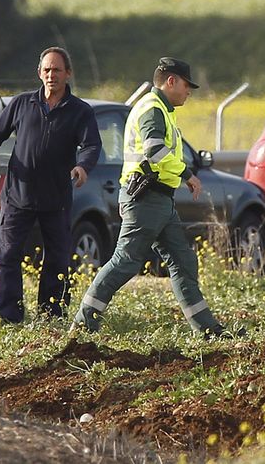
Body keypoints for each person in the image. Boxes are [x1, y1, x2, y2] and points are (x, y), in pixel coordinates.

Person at [73, 57, 235, 338]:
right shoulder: (152, 109)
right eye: (187, 85)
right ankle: (84, 322)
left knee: (183, 262)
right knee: (125, 261)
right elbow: (154, 151)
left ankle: (208, 330)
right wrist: (187, 173)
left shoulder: (163, 109)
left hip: (160, 201)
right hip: (146, 200)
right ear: (170, 81)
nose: (189, 91)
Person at [0, 47, 103, 323]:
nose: (51, 75)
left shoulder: (80, 111)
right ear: (39, 73)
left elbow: (91, 144)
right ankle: (11, 317)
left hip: (56, 199)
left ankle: (52, 316)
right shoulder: (22, 103)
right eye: (47, 70)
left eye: (57, 70)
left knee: (58, 260)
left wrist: (82, 167)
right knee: (8, 256)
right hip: (17, 196)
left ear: (68, 73)